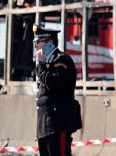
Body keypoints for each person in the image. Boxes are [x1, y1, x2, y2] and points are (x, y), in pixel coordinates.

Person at [33, 24, 82, 156]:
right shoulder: (46, 64)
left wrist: (42, 65)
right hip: (44, 126)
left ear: (50, 43)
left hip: (57, 123)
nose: (36, 46)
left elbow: (52, 83)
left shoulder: (61, 60)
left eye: (38, 42)